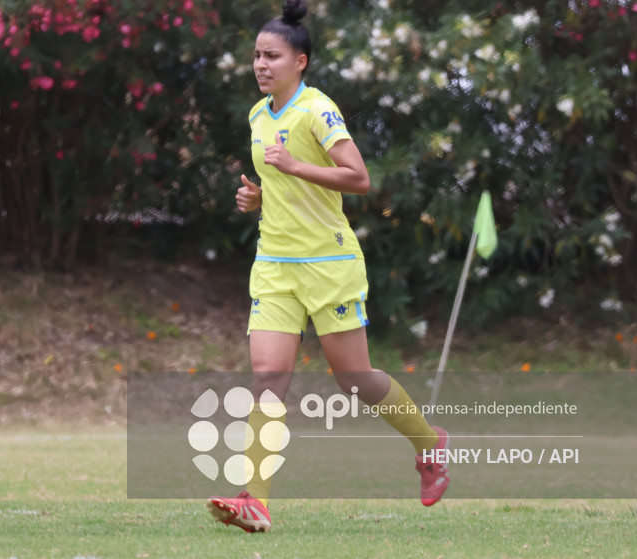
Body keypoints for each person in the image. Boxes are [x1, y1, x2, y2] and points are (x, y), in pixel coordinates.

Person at [206, 0, 450, 533]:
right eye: (256, 56)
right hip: (275, 264)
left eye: (272, 56)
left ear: (301, 62)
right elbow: (280, 184)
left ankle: (429, 443)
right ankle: (256, 500)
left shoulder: (318, 110)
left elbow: (359, 178)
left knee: (354, 379)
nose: (261, 65)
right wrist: (258, 197)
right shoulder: (258, 115)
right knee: (268, 378)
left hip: (329, 264)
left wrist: (297, 166)